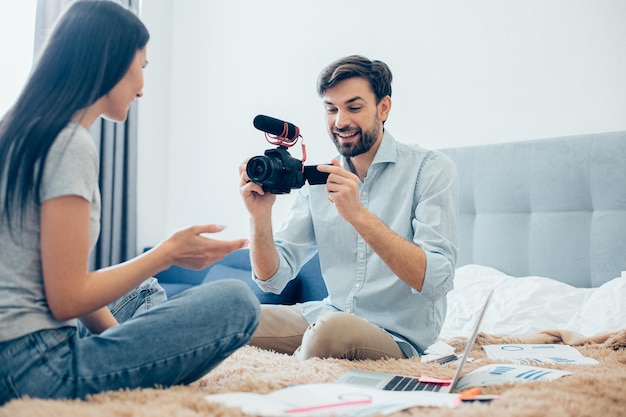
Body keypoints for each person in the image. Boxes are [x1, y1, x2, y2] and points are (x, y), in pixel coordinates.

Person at [0, 0, 260, 405]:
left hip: (16, 350)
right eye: (142, 65)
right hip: (35, 369)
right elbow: (67, 298)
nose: (143, 84)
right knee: (236, 301)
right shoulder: (69, 144)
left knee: (140, 292)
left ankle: (138, 350)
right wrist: (167, 253)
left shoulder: (18, 132)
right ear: (111, 62)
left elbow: (63, 287)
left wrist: (125, 341)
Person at [239, 55, 458, 360]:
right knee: (233, 316)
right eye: (331, 109)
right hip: (327, 314)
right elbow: (272, 279)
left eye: (354, 108)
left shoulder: (430, 170)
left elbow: (436, 282)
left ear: (383, 108)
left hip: (396, 335)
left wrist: (358, 215)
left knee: (329, 330)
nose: (340, 122)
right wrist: (259, 217)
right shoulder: (319, 179)